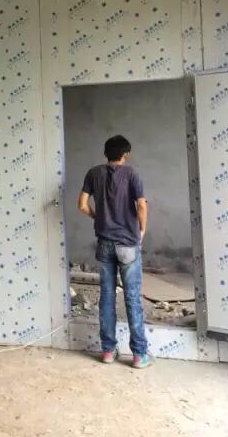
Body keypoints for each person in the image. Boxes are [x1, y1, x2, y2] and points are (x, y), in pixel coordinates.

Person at [77, 134, 153, 368]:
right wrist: (142, 231)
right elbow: (141, 205)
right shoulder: (132, 174)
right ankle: (139, 355)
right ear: (125, 154)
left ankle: (108, 351)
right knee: (132, 298)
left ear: (106, 153)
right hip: (128, 243)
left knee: (107, 296)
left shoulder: (93, 173)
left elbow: (82, 205)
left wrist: (96, 216)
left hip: (105, 243)